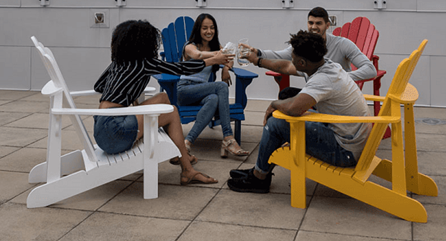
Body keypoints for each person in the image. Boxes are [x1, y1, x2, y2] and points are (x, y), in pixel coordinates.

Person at [227, 30, 372, 193]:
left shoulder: (323, 79)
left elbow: (294, 109)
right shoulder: (325, 64)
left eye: (293, 56)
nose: (291, 58)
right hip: (351, 138)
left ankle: (259, 177)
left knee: (276, 122)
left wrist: (274, 103)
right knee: (288, 95)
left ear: (302, 63)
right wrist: (257, 60)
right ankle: (260, 169)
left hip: (344, 151)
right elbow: (285, 66)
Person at [94, 19, 226, 185]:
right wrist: (214, 60)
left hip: (101, 127)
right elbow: (181, 69)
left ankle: (181, 153)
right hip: (115, 132)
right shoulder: (144, 63)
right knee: (171, 112)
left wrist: (127, 87)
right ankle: (187, 170)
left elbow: (99, 86)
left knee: (163, 98)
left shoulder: (118, 63)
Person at [240, 6, 376, 98]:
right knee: (286, 94)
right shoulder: (304, 45)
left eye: (318, 23)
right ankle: (291, 136)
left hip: (337, 95)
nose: (313, 27)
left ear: (327, 26)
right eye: (311, 23)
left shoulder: (342, 44)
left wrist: (340, 78)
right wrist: (257, 52)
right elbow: (281, 57)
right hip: (315, 93)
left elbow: (370, 69)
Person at [179, 14, 250, 159]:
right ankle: (228, 137)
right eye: (204, 28)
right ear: (198, 30)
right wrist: (217, 56)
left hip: (202, 93)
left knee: (213, 99)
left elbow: (229, 58)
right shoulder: (189, 46)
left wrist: (225, 68)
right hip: (185, 90)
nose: (209, 31)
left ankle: (187, 142)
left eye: (212, 28)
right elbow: (198, 55)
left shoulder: (215, 46)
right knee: (221, 87)